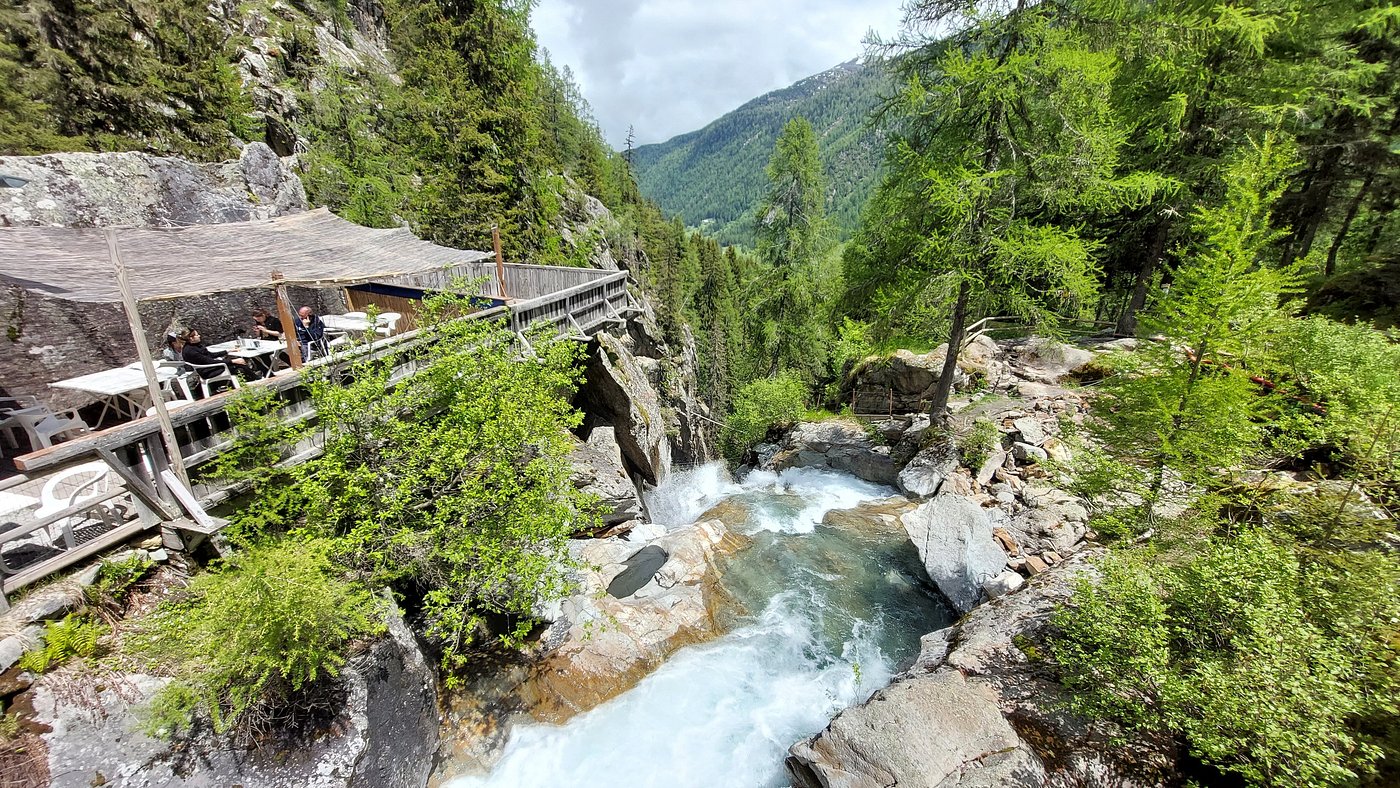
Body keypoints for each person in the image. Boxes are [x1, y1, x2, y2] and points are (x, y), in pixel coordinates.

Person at [180, 328, 248, 382]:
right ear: (191, 338)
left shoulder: (194, 346)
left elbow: (210, 355)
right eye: (197, 335)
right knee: (241, 366)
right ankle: (255, 380)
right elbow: (210, 361)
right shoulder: (191, 351)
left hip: (209, 367)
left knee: (239, 364)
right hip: (208, 371)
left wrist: (227, 351)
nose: (199, 336)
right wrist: (232, 361)